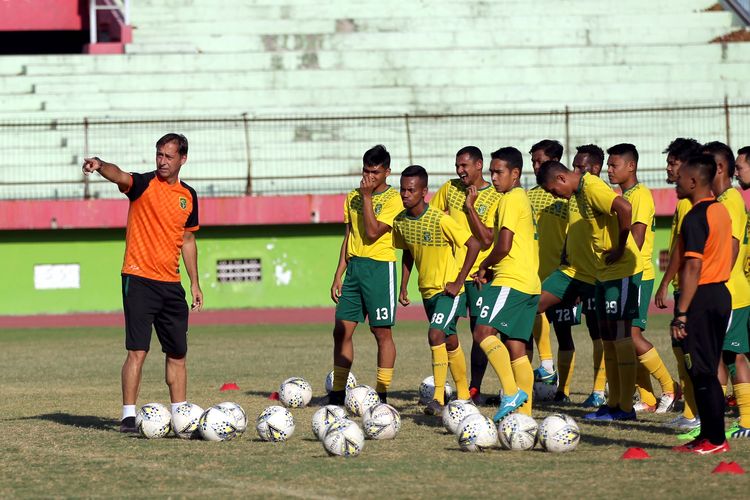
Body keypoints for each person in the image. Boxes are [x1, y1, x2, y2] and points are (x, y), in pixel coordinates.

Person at [81, 133, 203, 433]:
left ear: (182, 159)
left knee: (177, 353)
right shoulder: (143, 184)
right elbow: (119, 174)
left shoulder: (189, 196)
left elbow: (188, 240)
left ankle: (180, 417)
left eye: (168, 156)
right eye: (159, 154)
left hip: (171, 284)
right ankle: (127, 417)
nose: (162, 161)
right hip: (138, 279)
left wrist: (195, 283)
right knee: (138, 351)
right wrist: (99, 165)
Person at [536, 160, 643, 421]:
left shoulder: (592, 187)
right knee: (608, 337)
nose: (554, 196)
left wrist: (620, 247)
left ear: (561, 178)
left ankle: (626, 408)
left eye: (552, 190)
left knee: (620, 336)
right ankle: (614, 403)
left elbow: (624, 207)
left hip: (622, 270)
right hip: (603, 272)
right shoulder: (580, 192)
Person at [395, 165, 481, 415]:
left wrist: (458, 281)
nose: (405, 194)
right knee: (450, 340)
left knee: (435, 335)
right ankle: (464, 395)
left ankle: (438, 398)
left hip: (449, 291)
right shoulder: (401, 221)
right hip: (427, 292)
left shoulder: (441, 219)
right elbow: (408, 251)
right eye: (402, 189)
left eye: (411, 190)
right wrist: (403, 284)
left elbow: (473, 244)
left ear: (424, 192)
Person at [329, 145, 404, 405]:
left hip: (380, 268)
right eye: (366, 171)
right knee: (341, 330)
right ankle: (338, 393)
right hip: (355, 269)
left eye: (375, 172)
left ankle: (381, 394)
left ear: (387, 172)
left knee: (381, 332)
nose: (369, 176)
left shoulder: (394, 199)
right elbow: (349, 235)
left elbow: (372, 233)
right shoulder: (352, 196)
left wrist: (369, 197)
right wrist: (339, 272)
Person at [607, 143, 678, 414]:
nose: (609, 170)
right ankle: (647, 397)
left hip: (638, 274)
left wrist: (615, 254)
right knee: (622, 337)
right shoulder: (623, 195)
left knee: (631, 335)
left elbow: (636, 237)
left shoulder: (640, 196)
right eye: (609, 165)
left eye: (614, 165)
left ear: (631, 166)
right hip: (623, 274)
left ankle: (670, 387)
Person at [472, 147, 541, 422]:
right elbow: (492, 237)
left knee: (482, 332)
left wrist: (485, 265)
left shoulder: (511, 199)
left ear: (515, 174)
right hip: (529, 284)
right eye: (491, 172)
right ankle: (524, 415)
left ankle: (511, 392)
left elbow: (503, 245)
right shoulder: (518, 198)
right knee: (516, 347)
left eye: (499, 172)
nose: (493, 177)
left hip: (511, 280)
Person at [429, 146, 502, 404]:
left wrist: (470, 207)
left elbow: (485, 239)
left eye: (464, 166)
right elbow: (431, 217)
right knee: (445, 331)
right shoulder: (449, 188)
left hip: (481, 276)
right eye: (457, 166)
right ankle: (457, 388)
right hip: (453, 275)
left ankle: (475, 388)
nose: (460, 171)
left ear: (479, 165)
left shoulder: (494, 195)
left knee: (481, 333)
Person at [671, 154, 732, 455]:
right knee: (703, 369)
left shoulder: (695, 216)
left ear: (693, 181)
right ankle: (708, 435)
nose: (675, 181)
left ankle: (716, 440)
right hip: (720, 294)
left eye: (680, 176)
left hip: (702, 297)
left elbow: (693, 267)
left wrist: (681, 313)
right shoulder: (720, 210)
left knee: (703, 370)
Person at [535, 145, 605, 404]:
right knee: (530, 306)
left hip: (595, 276)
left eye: (580, 167)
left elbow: (621, 214)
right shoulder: (574, 196)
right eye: (574, 166)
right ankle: (552, 383)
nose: (577, 171)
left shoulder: (595, 190)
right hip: (568, 273)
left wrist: (617, 249)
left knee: (602, 334)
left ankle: (599, 393)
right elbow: (574, 233)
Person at [699, 142, 750, 440]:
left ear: (718, 168)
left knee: (732, 357)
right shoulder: (724, 198)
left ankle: (745, 420)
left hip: (729, 291)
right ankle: (713, 422)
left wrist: (714, 284)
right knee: (719, 357)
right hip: (725, 289)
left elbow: (730, 246)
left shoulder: (730, 200)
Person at [655, 138, 703, 430]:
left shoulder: (689, 205)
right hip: (683, 287)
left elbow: (682, 250)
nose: (668, 168)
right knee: (681, 352)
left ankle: (699, 416)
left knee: (692, 355)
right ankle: (690, 413)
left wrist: (664, 284)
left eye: (673, 163)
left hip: (690, 289)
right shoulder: (683, 202)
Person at [527, 140, 566, 387]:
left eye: (539, 161)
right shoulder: (529, 195)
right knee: (529, 324)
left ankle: (565, 390)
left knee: (566, 335)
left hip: (561, 273)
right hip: (533, 273)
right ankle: (544, 369)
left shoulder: (566, 196)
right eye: (532, 161)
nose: (535, 166)